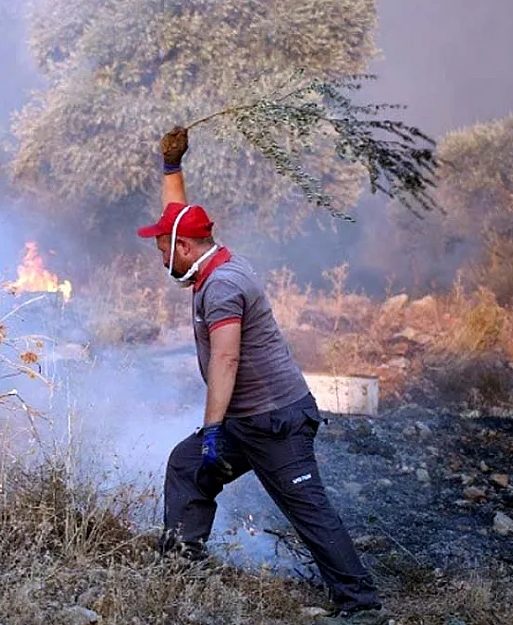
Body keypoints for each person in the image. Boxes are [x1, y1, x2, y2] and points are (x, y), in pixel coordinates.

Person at [137, 126, 386, 625]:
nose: (159, 254)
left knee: (307, 509)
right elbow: (178, 218)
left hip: (275, 423)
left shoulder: (223, 285)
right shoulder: (208, 258)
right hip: (248, 421)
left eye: (163, 247)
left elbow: (226, 361)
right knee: (187, 467)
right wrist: (171, 168)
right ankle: (182, 568)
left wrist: (212, 431)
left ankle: (361, 605)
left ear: (184, 249)